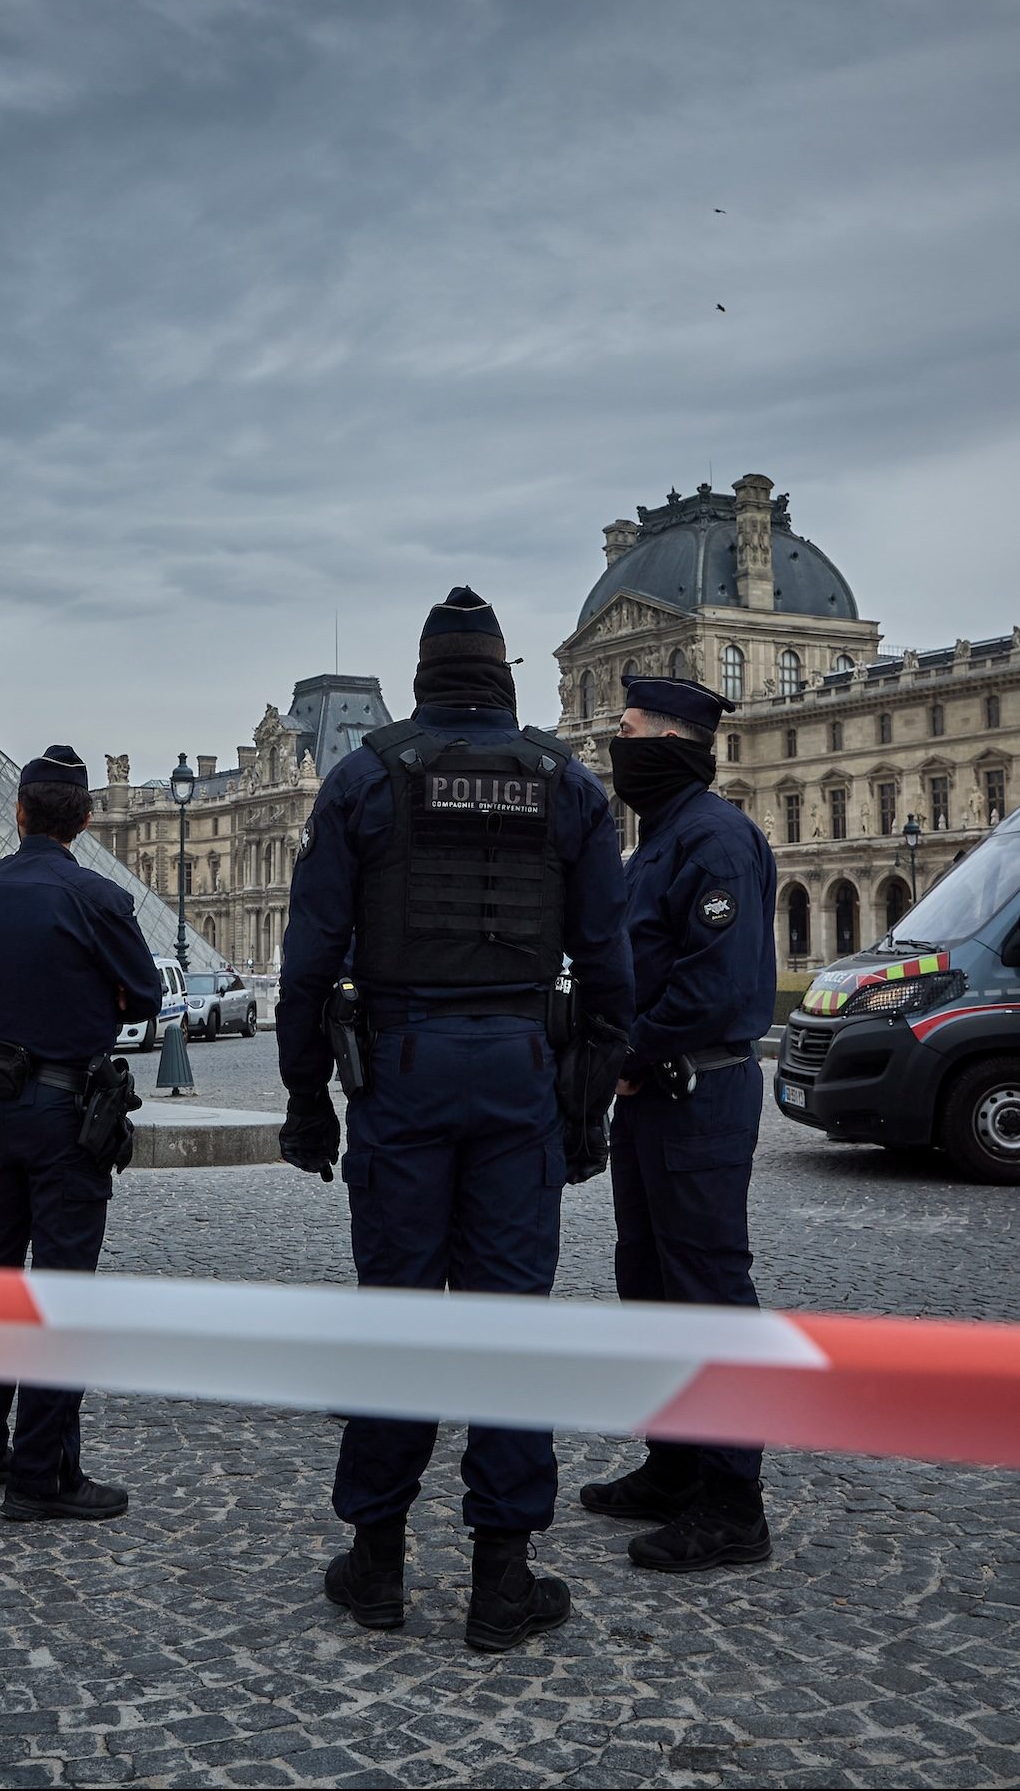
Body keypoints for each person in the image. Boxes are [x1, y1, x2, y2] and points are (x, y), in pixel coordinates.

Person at [277, 587, 635, 1650]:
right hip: (522, 1066)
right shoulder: (567, 785)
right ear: (506, 677)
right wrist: (585, 1107)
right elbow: (611, 972)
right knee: (510, 1322)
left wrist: (307, 1098)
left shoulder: (364, 777)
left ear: (425, 676)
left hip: (402, 1068)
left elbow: (306, 968)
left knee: (395, 1315)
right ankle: (501, 1578)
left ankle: (378, 1565)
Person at [579, 674, 776, 1571]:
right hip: (656, 1095)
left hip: (695, 1091)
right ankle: (672, 1462)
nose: (614, 746)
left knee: (706, 1292)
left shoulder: (715, 839)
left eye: (624, 730)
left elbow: (718, 987)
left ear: (666, 740)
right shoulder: (661, 838)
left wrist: (626, 1048)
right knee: (649, 1283)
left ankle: (733, 1504)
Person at [0, 743, 163, 1523]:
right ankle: (41, 1474)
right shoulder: (95, 895)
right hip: (66, 1111)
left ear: (19, 810)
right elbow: (142, 998)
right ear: (88, 818)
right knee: (58, 1295)